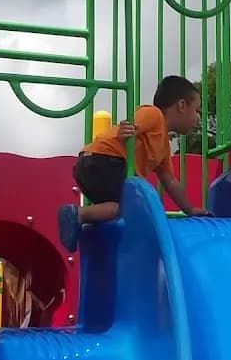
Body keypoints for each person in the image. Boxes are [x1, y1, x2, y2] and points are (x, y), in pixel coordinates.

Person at [57, 75, 209, 250]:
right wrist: (126, 129)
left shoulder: (163, 147)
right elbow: (134, 124)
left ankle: (85, 220)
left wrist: (190, 209)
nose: (197, 118)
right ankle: (78, 214)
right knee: (130, 206)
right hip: (104, 160)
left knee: (119, 208)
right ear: (181, 106)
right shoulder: (154, 115)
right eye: (196, 110)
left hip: (92, 162)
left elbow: (169, 180)